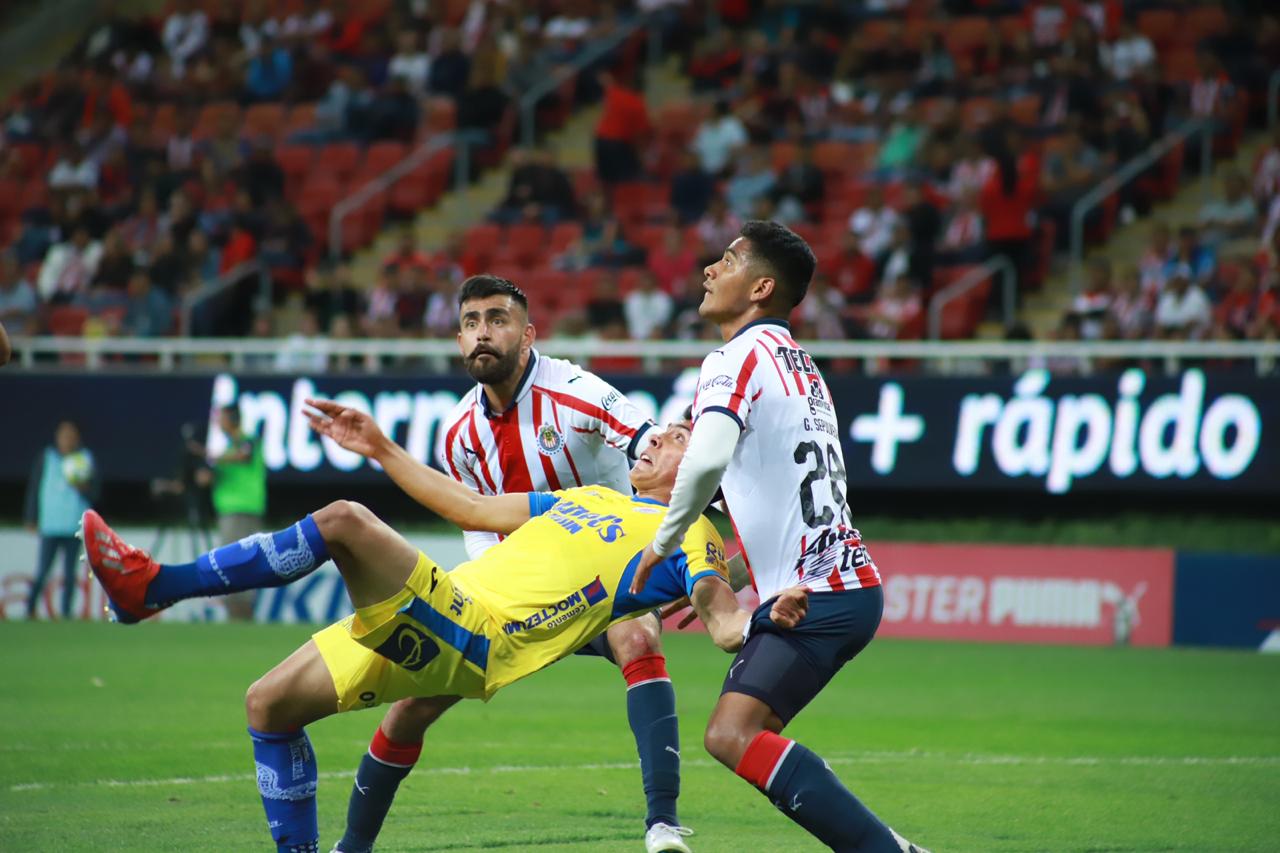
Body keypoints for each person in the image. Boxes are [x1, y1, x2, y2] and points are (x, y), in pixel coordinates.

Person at [80, 407, 809, 853]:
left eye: (681, 435)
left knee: (341, 522)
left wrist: (761, 614)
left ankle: (153, 587)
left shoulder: (692, 532)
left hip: (476, 635)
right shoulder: (589, 495)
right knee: (267, 707)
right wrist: (383, 449)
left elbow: (719, 620)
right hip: (446, 608)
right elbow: (468, 507)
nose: (661, 436)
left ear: (706, 473)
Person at [333, 274, 695, 853]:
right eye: (472, 322)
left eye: (498, 320)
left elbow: (662, 454)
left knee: (638, 636)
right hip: (520, 590)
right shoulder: (457, 433)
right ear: (458, 339)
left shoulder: (580, 394)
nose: (484, 333)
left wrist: (682, 552)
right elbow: (475, 522)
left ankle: (662, 824)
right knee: (414, 701)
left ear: (528, 336)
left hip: (605, 582)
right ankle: (351, 845)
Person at [630, 221, 929, 852]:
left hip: (816, 590)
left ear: (762, 287)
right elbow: (793, 496)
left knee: (730, 735)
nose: (710, 269)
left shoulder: (733, 358)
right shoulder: (802, 367)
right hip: (844, 583)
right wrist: (736, 575)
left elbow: (706, 462)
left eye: (729, 260)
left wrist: (662, 545)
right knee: (745, 733)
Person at [24, 421, 99, 618]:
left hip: (74, 524)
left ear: (77, 438)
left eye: (71, 435)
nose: (67, 439)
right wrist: (31, 517)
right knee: (43, 570)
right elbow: (35, 488)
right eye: (64, 435)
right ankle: (30, 608)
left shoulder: (84, 459)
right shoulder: (47, 457)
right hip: (50, 524)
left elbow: (95, 493)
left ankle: (66, 613)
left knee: (69, 573)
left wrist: (84, 488)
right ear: (57, 436)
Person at [210, 404, 268, 619]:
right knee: (234, 561)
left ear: (232, 420)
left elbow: (244, 455)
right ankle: (236, 611)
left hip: (242, 510)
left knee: (238, 561)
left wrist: (213, 459)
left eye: (221, 418)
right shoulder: (229, 448)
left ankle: (241, 612)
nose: (218, 423)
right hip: (232, 510)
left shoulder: (246, 441)